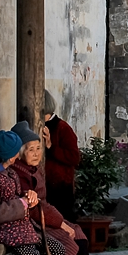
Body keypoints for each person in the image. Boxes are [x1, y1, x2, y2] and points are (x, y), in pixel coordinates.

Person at [10, 120, 109, 255]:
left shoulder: (33, 169)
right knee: (66, 239)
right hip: (33, 222)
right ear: (20, 152)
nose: (37, 153)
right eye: (31, 150)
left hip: (43, 218)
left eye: (39, 148)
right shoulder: (20, 174)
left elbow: (44, 203)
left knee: (78, 233)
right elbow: (36, 208)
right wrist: (61, 223)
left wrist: (63, 222)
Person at [42, 92, 81, 222]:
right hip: (42, 183)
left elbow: (74, 157)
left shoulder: (62, 128)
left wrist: (51, 147)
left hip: (60, 186)